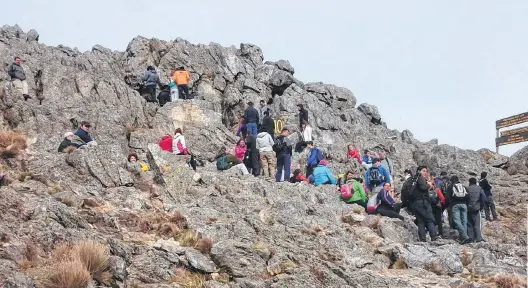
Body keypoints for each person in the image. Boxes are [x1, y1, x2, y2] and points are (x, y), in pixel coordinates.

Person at [409, 166, 438, 242]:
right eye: (424, 171)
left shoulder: (414, 179)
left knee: (421, 220)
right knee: (430, 219)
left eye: (426, 171)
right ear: (419, 171)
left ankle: (422, 239)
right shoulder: (420, 178)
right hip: (423, 203)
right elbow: (423, 187)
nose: (425, 173)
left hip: (416, 203)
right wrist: (429, 185)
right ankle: (434, 236)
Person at [447, 175, 472, 244]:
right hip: (464, 205)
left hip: (455, 205)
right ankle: (464, 238)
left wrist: (449, 205)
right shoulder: (463, 186)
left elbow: (447, 197)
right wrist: (466, 204)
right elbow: (468, 196)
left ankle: (465, 237)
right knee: (464, 221)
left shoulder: (451, 186)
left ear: (451, 180)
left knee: (457, 221)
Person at [467, 177, 486, 242]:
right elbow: (483, 197)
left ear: (470, 182)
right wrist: (481, 206)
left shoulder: (467, 188)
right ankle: (479, 238)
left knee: (469, 224)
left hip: (468, 208)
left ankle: (471, 238)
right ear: (476, 182)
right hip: (476, 208)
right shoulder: (479, 188)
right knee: (477, 224)